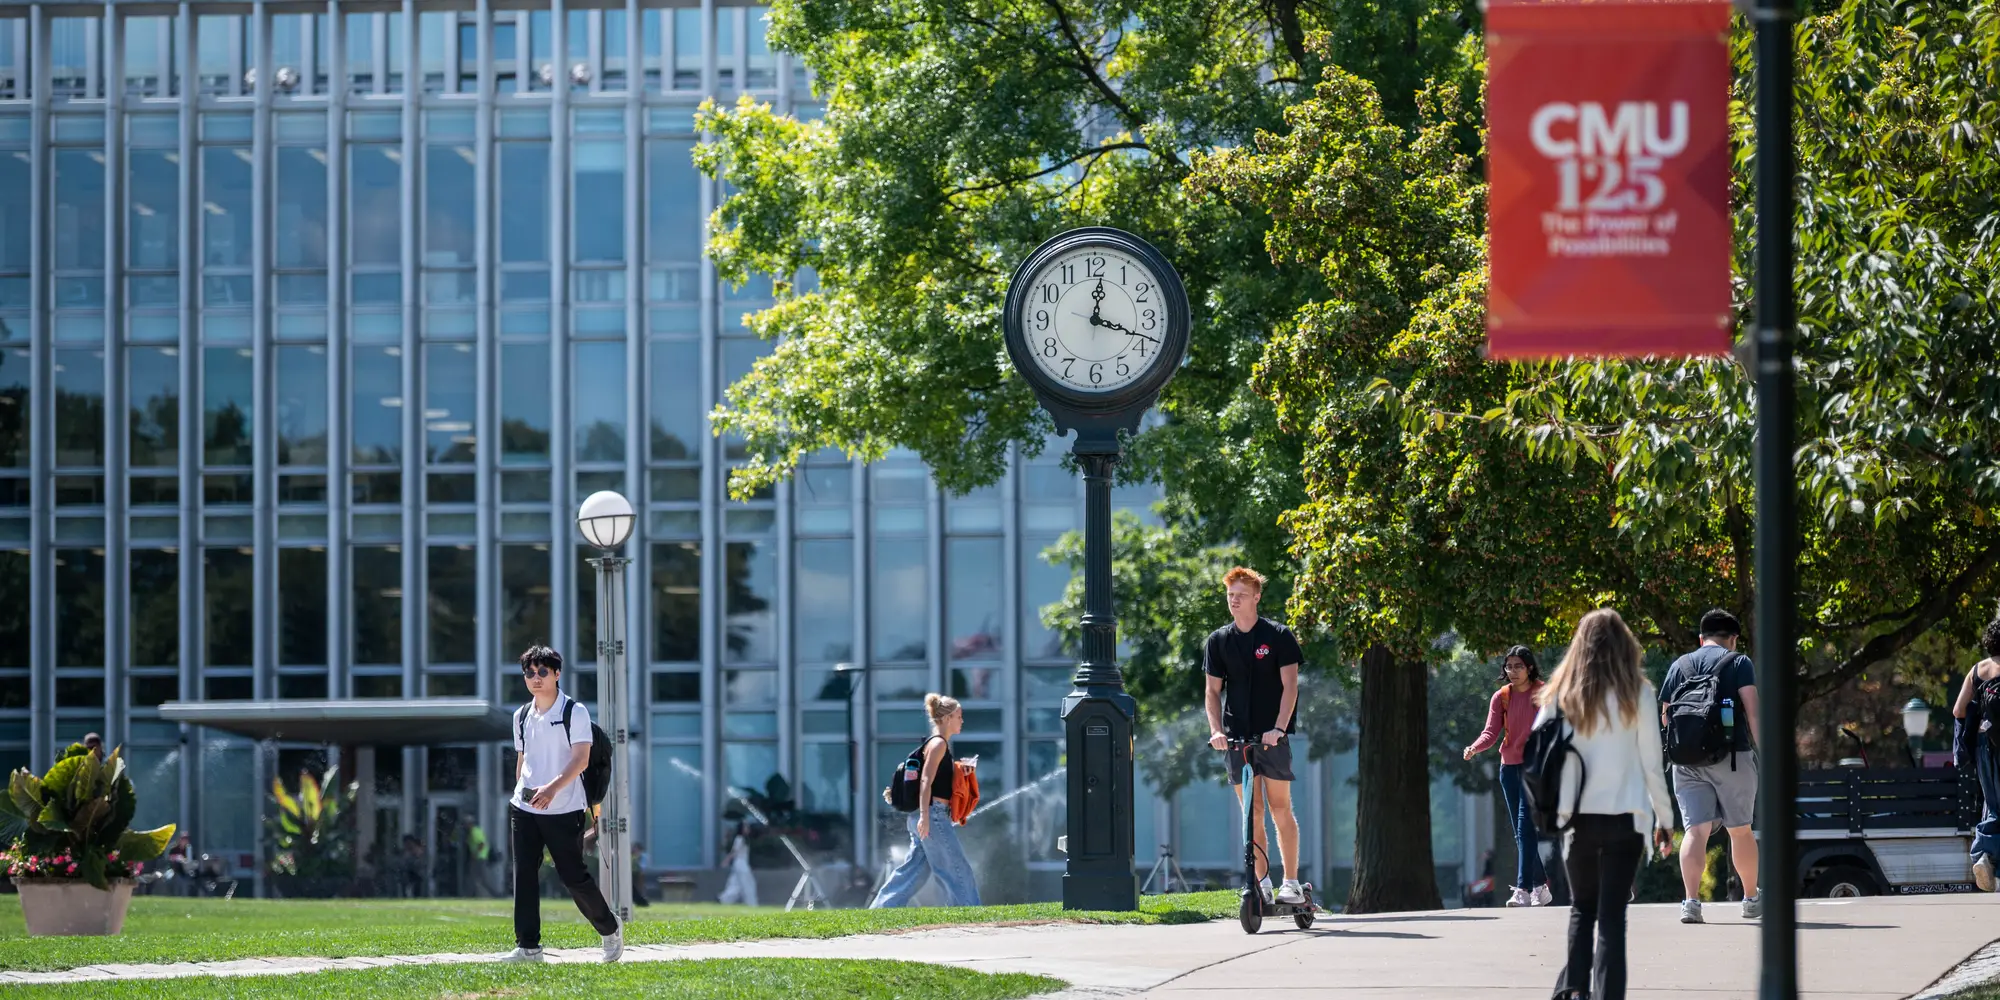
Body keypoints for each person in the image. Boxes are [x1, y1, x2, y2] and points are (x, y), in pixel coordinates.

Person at [1535, 609, 1676, 1000]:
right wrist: (1665, 819)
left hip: (1575, 818)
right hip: (1626, 819)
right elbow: (1652, 764)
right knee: (1613, 918)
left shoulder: (1561, 694)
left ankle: (1572, 992)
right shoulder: (1639, 693)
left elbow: (1538, 750)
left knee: (1582, 909)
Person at [503, 645, 623, 964]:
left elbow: (581, 760)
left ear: (557, 674)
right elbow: (523, 760)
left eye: (543, 672)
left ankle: (610, 930)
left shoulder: (574, 712)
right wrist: (522, 792)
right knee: (524, 874)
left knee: (573, 876)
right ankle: (528, 947)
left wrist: (553, 789)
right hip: (525, 808)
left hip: (564, 808)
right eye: (529, 672)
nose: (535, 678)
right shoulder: (521, 715)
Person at [1203, 566, 1306, 905]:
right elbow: (1212, 692)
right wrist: (1216, 730)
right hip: (1236, 739)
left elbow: (1290, 686)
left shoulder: (1278, 636)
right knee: (1253, 813)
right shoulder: (1219, 641)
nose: (1234, 600)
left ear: (1256, 597)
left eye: (1241, 595)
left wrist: (1279, 728)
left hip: (1271, 737)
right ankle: (1261, 881)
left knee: (1280, 808)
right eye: (1230, 595)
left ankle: (1290, 882)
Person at [1660, 608, 1762, 923]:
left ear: (1700, 638)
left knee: (1695, 831)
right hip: (1731, 756)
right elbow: (1753, 711)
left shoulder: (1680, 665)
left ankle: (1691, 902)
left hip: (1686, 760)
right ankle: (1750, 899)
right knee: (1740, 830)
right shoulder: (1740, 662)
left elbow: (1666, 716)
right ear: (1733, 639)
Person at [870, 693, 982, 908]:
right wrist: (925, 816)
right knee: (956, 868)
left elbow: (935, 779)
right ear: (948, 718)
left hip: (928, 814)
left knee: (913, 872)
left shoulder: (935, 745)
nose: (962, 721)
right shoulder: (938, 744)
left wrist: (960, 770)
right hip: (933, 815)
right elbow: (925, 781)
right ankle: (969, 912)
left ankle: (881, 910)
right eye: (959, 716)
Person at [1464, 645, 1551, 906]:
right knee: (1520, 831)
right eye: (1509, 666)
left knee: (1525, 825)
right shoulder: (1501, 697)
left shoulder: (1544, 694)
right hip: (1509, 769)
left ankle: (1523, 889)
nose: (1512, 671)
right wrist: (1474, 747)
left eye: (1518, 666)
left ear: (1530, 667)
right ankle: (1541, 886)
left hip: (1534, 768)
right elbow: (1491, 732)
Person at [1951, 614, 2000, 890]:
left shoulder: (1978, 670)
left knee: (1993, 803)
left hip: (1984, 744)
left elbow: (1958, 710)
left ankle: (1984, 856)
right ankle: (1987, 856)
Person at [719, 820, 759, 906]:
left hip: (742, 863)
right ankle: (751, 903)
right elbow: (734, 852)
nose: (748, 829)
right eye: (746, 827)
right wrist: (726, 861)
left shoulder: (745, 839)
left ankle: (724, 899)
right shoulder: (739, 839)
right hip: (741, 864)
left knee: (736, 883)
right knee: (747, 883)